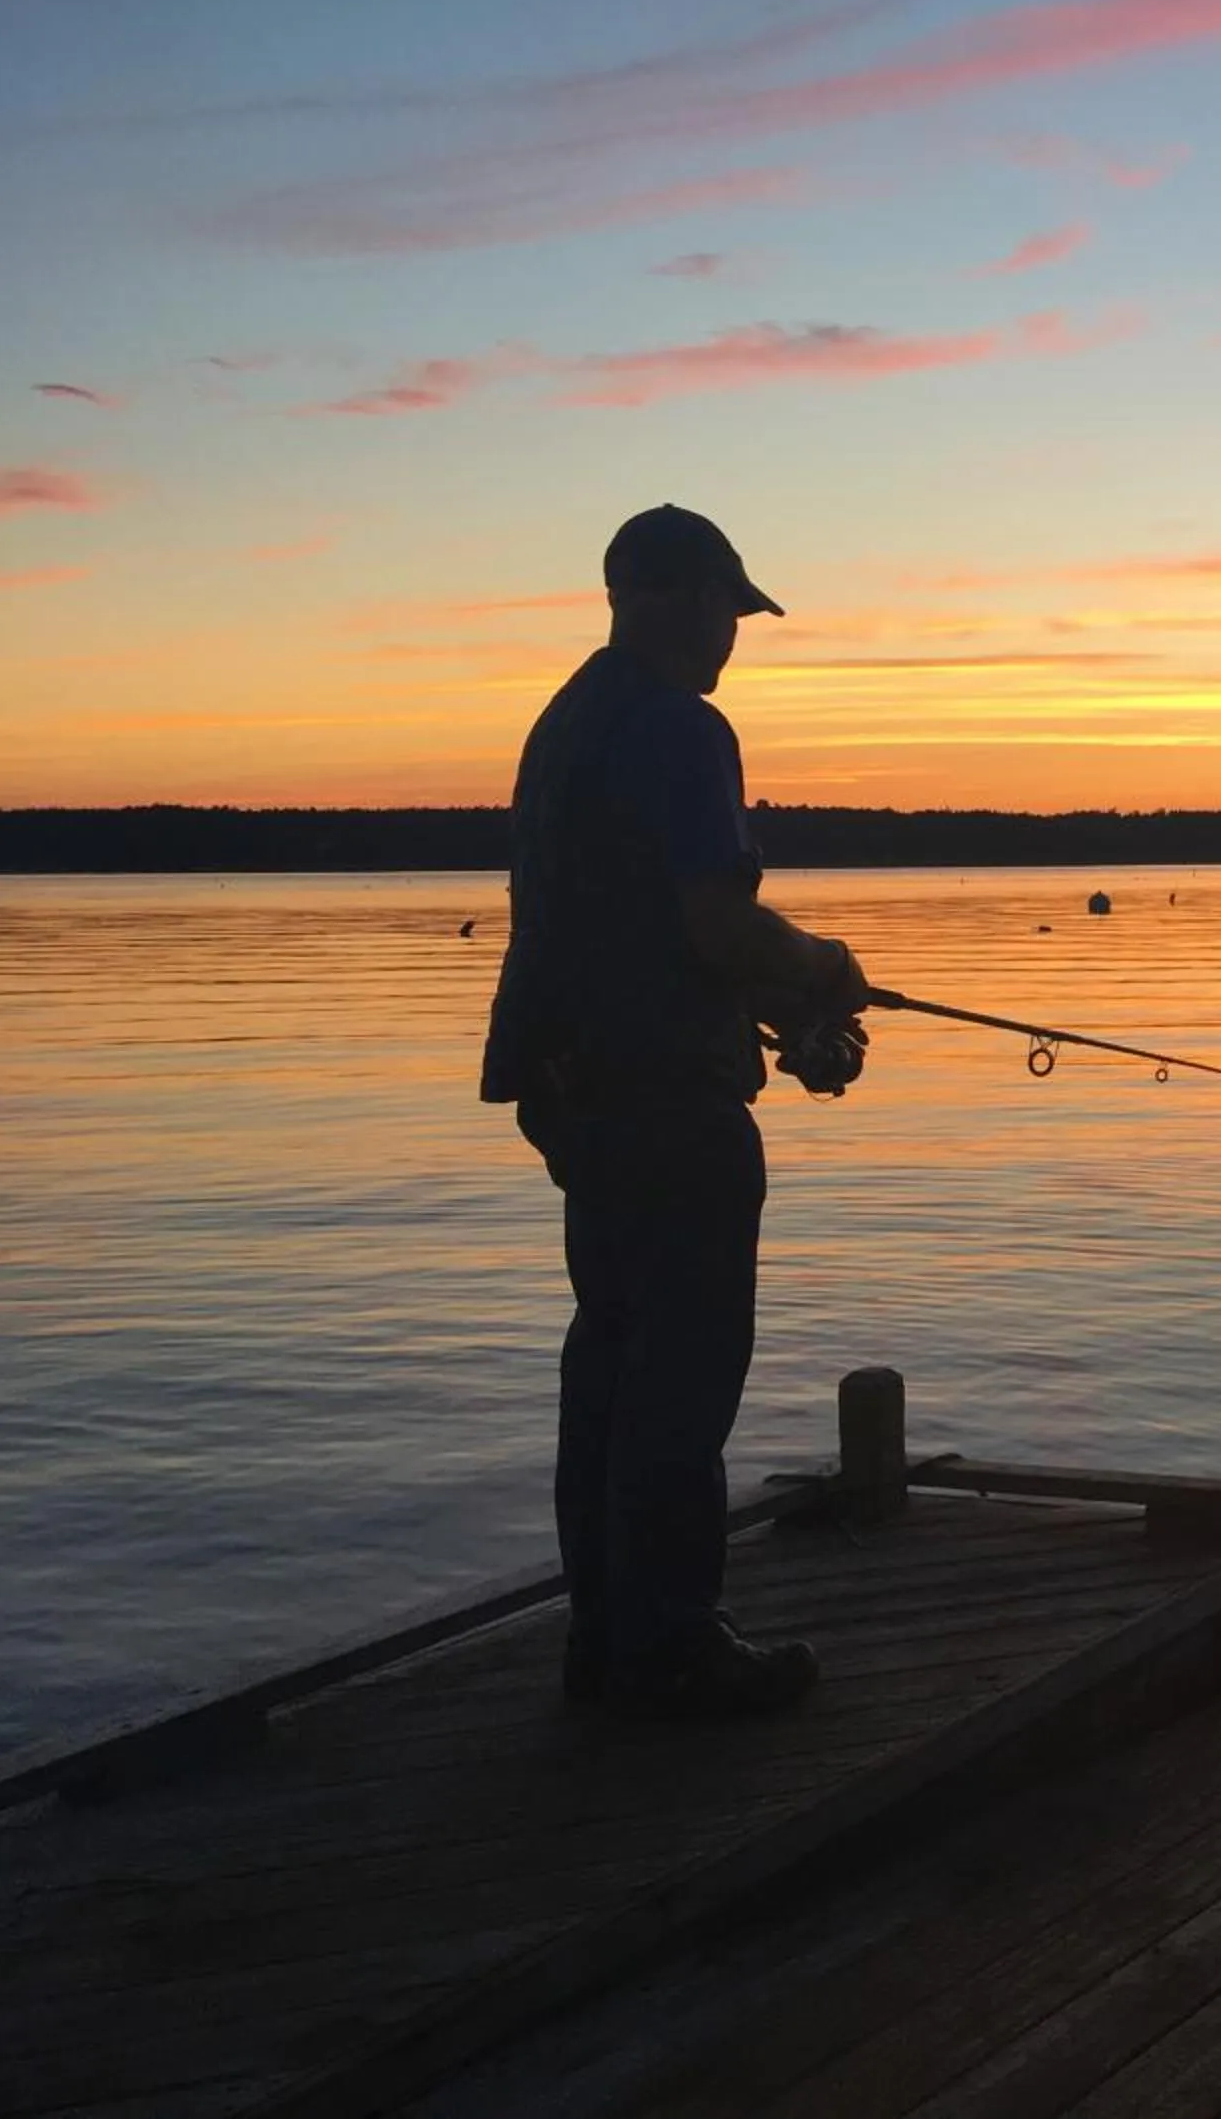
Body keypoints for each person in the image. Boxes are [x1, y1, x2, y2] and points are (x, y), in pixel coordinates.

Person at [480, 505, 868, 1717]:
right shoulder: (681, 729)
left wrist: (774, 1010)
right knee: (683, 1372)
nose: (733, 637)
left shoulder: (568, 723)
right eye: (725, 610)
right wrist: (820, 967)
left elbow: (633, 928)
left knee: (609, 1359)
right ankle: (672, 1647)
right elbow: (712, 920)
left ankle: (605, 1640)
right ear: (666, 598)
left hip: (576, 1093)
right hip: (664, 1103)